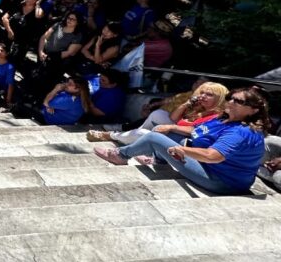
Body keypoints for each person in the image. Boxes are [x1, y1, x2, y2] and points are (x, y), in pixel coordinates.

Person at [94, 89, 268, 194]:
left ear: (253, 110)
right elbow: (197, 132)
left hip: (222, 180)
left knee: (154, 138)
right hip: (210, 166)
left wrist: (182, 150)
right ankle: (157, 160)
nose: (230, 101)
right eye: (230, 97)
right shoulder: (224, 118)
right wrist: (172, 128)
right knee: (160, 130)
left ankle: (120, 155)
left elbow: (213, 156)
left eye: (238, 101)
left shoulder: (242, 132)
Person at [87, 81, 228, 144]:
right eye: (201, 92)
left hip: (183, 139)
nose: (202, 96)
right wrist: (187, 104)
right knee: (158, 114)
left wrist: (172, 127)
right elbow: (173, 117)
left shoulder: (217, 115)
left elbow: (196, 131)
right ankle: (132, 137)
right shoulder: (199, 107)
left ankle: (113, 136)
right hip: (175, 130)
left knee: (142, 134)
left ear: (219, 98)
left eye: (208, 95)